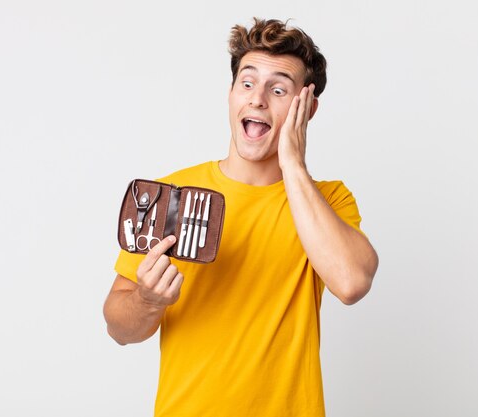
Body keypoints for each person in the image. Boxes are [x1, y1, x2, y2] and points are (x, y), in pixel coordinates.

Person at [103, 18, 379, 417]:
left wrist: (294, 166)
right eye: (247, 83)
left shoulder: (329, 201)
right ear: (232, 94)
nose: (258, 100)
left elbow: (352, 282)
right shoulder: (171, 197)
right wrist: (148, 300)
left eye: (279, 89)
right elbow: (118, 329)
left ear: (308, 107)